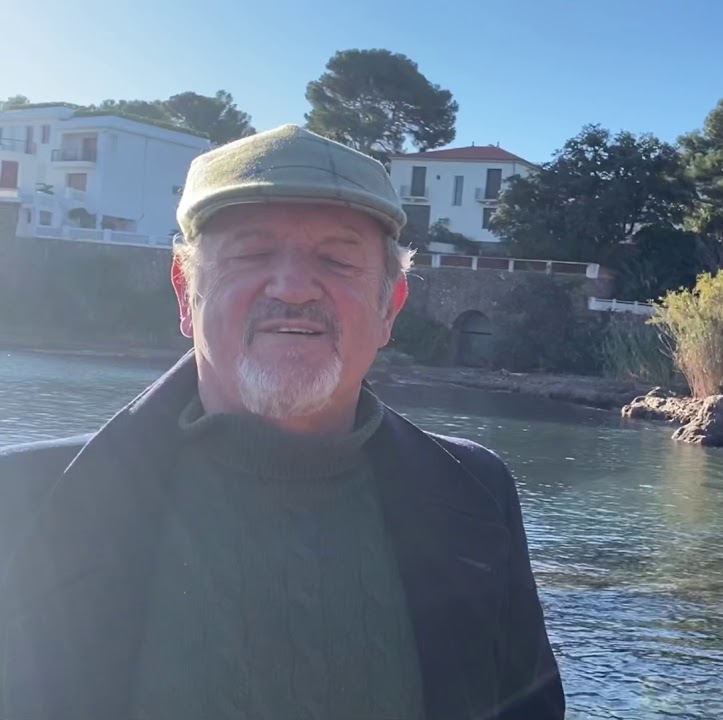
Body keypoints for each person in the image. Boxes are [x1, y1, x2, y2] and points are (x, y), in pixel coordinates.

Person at [0, 125, 564, 720]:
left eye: (338, 259)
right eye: (251, 254)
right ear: (185, 292)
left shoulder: (476, 492)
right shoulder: (21, 502)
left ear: (389, 307)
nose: (294, 288)